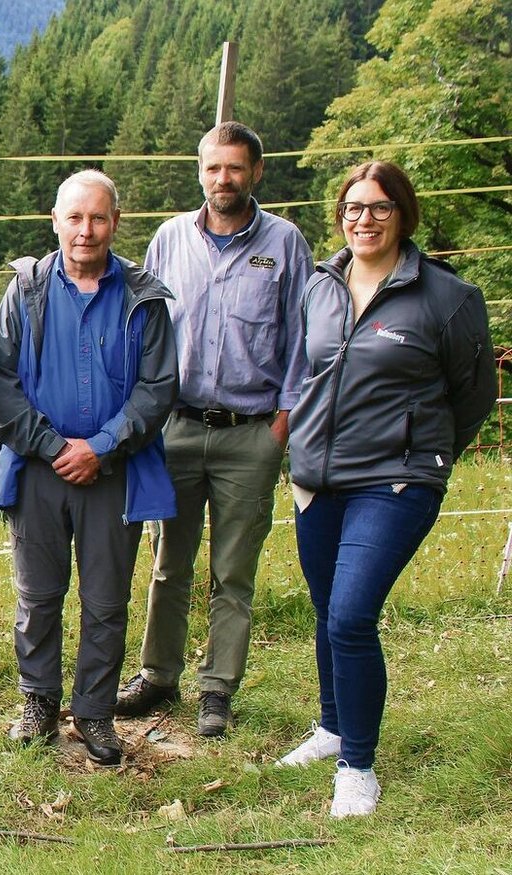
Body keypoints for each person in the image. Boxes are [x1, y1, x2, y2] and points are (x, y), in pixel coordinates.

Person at [280, 161, 493, 817]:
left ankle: (358, 767)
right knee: (327, 609)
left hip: (395, 480)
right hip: (318, 478)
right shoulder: (320, 285)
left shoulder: (447, 297)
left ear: (403, 213)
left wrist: (424, 456)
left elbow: (474, 395)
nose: (363, 218)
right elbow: (305, 375)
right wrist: (295, 455)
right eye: (352, 206)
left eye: (378, 207)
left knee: (351, 614)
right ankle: (331, 725)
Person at [116, 121, 313, 737]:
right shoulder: (170, 239)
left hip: (251, 432)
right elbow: (143, 329)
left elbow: (304, 340)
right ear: (199, 171)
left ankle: (217, 690)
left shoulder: (285, 243)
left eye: (234, 168)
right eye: (212, 168)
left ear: (256, 172)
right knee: (169, 563)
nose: (222, 179)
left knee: (233, 571)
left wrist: (281, 423)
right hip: (175, 427)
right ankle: (158, 676)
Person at [0, 170, 178, 766]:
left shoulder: (144, 297)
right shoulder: (26, 290)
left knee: (105, 600)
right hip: (39, 470)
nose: (86, 230)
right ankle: (38, 703)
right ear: (55, 220)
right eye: (75, 217)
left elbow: (158, 387)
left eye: (98, 218)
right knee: (37, 596)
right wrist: (53, 447)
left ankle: (94, 712)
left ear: (115, 222)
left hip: (113, 471)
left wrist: (102, 445)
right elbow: (0, 382)